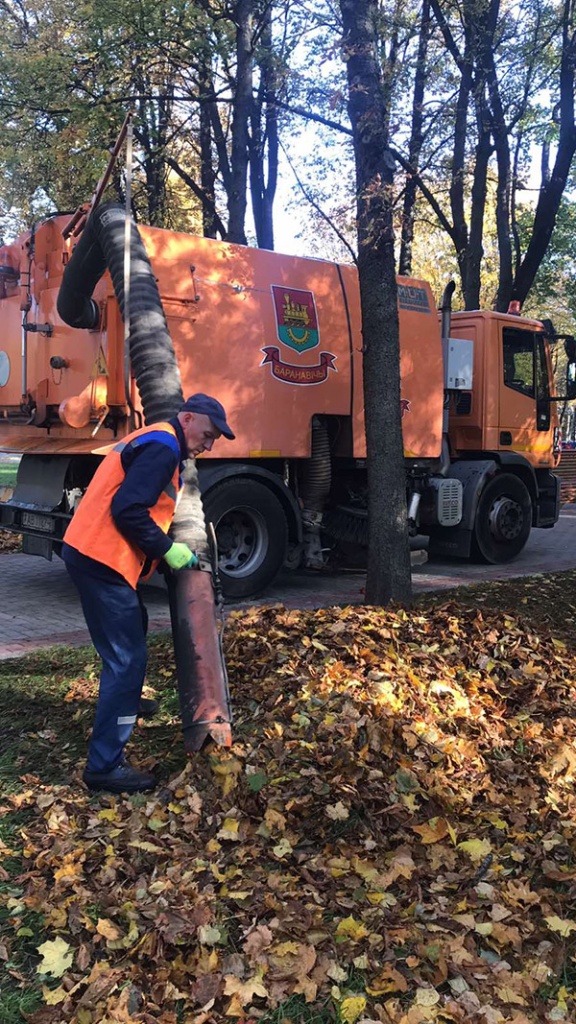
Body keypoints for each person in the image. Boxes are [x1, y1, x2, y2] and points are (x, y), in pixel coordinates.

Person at [62, 394, 235, 795]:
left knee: (132, 624)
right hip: (102, 559)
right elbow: (128, 510)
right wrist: (169, 551)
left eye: (213, 441)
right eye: (207, 435)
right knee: (127, 660)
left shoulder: (158, 438)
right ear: (187, 418)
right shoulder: (165, 446)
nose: (208, 445)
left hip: (90, 551)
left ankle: (126, 702)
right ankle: (104, 767)